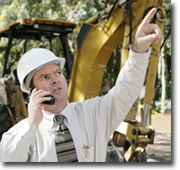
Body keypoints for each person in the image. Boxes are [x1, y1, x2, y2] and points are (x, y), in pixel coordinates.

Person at [0, 8, 161, 162]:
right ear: (33, 91)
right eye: (44, 77)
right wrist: (32, 125)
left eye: (58, 72)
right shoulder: (20, 134)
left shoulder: (93, 113)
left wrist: (139, 50)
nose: (55, 79)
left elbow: (125, 92)